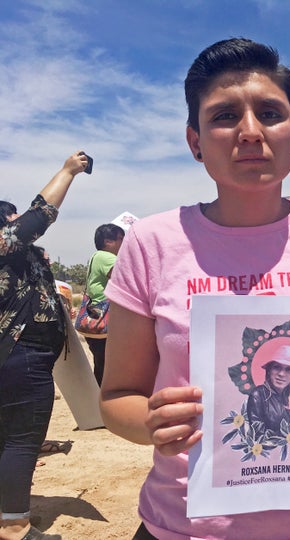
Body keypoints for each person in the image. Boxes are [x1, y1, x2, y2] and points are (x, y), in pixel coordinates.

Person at [98, 38, 290, 540]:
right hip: (190, 526)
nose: (249, 132)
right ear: (195, 141)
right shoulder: (151, 244)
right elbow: (117, 397)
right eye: (223, 116)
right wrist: (152, 422)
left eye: (269, 113)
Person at [0, 151, 90, 540]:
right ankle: (15, 525)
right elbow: (41, 215)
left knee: (9, 436)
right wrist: (69, 170)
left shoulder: (17, 255)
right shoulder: (6, 242)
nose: (17, 221)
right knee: (23, 439)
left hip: (18, 357)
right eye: (10, 216)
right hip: (22, 356)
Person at [83, 223, 124, 386]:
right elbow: (125, 277)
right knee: (110, 367)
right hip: (106, 318)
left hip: (97, 319)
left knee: (102, 365)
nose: (124, 242)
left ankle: (97, 403)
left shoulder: (96, 256)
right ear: (108, 241)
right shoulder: (107, 257)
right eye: (121, 238)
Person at [246, 344, 290, 436]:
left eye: (288, 369)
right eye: (277, 367)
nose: (281, 374)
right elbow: (258, 434)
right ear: (269, 371)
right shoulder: (258, 395)